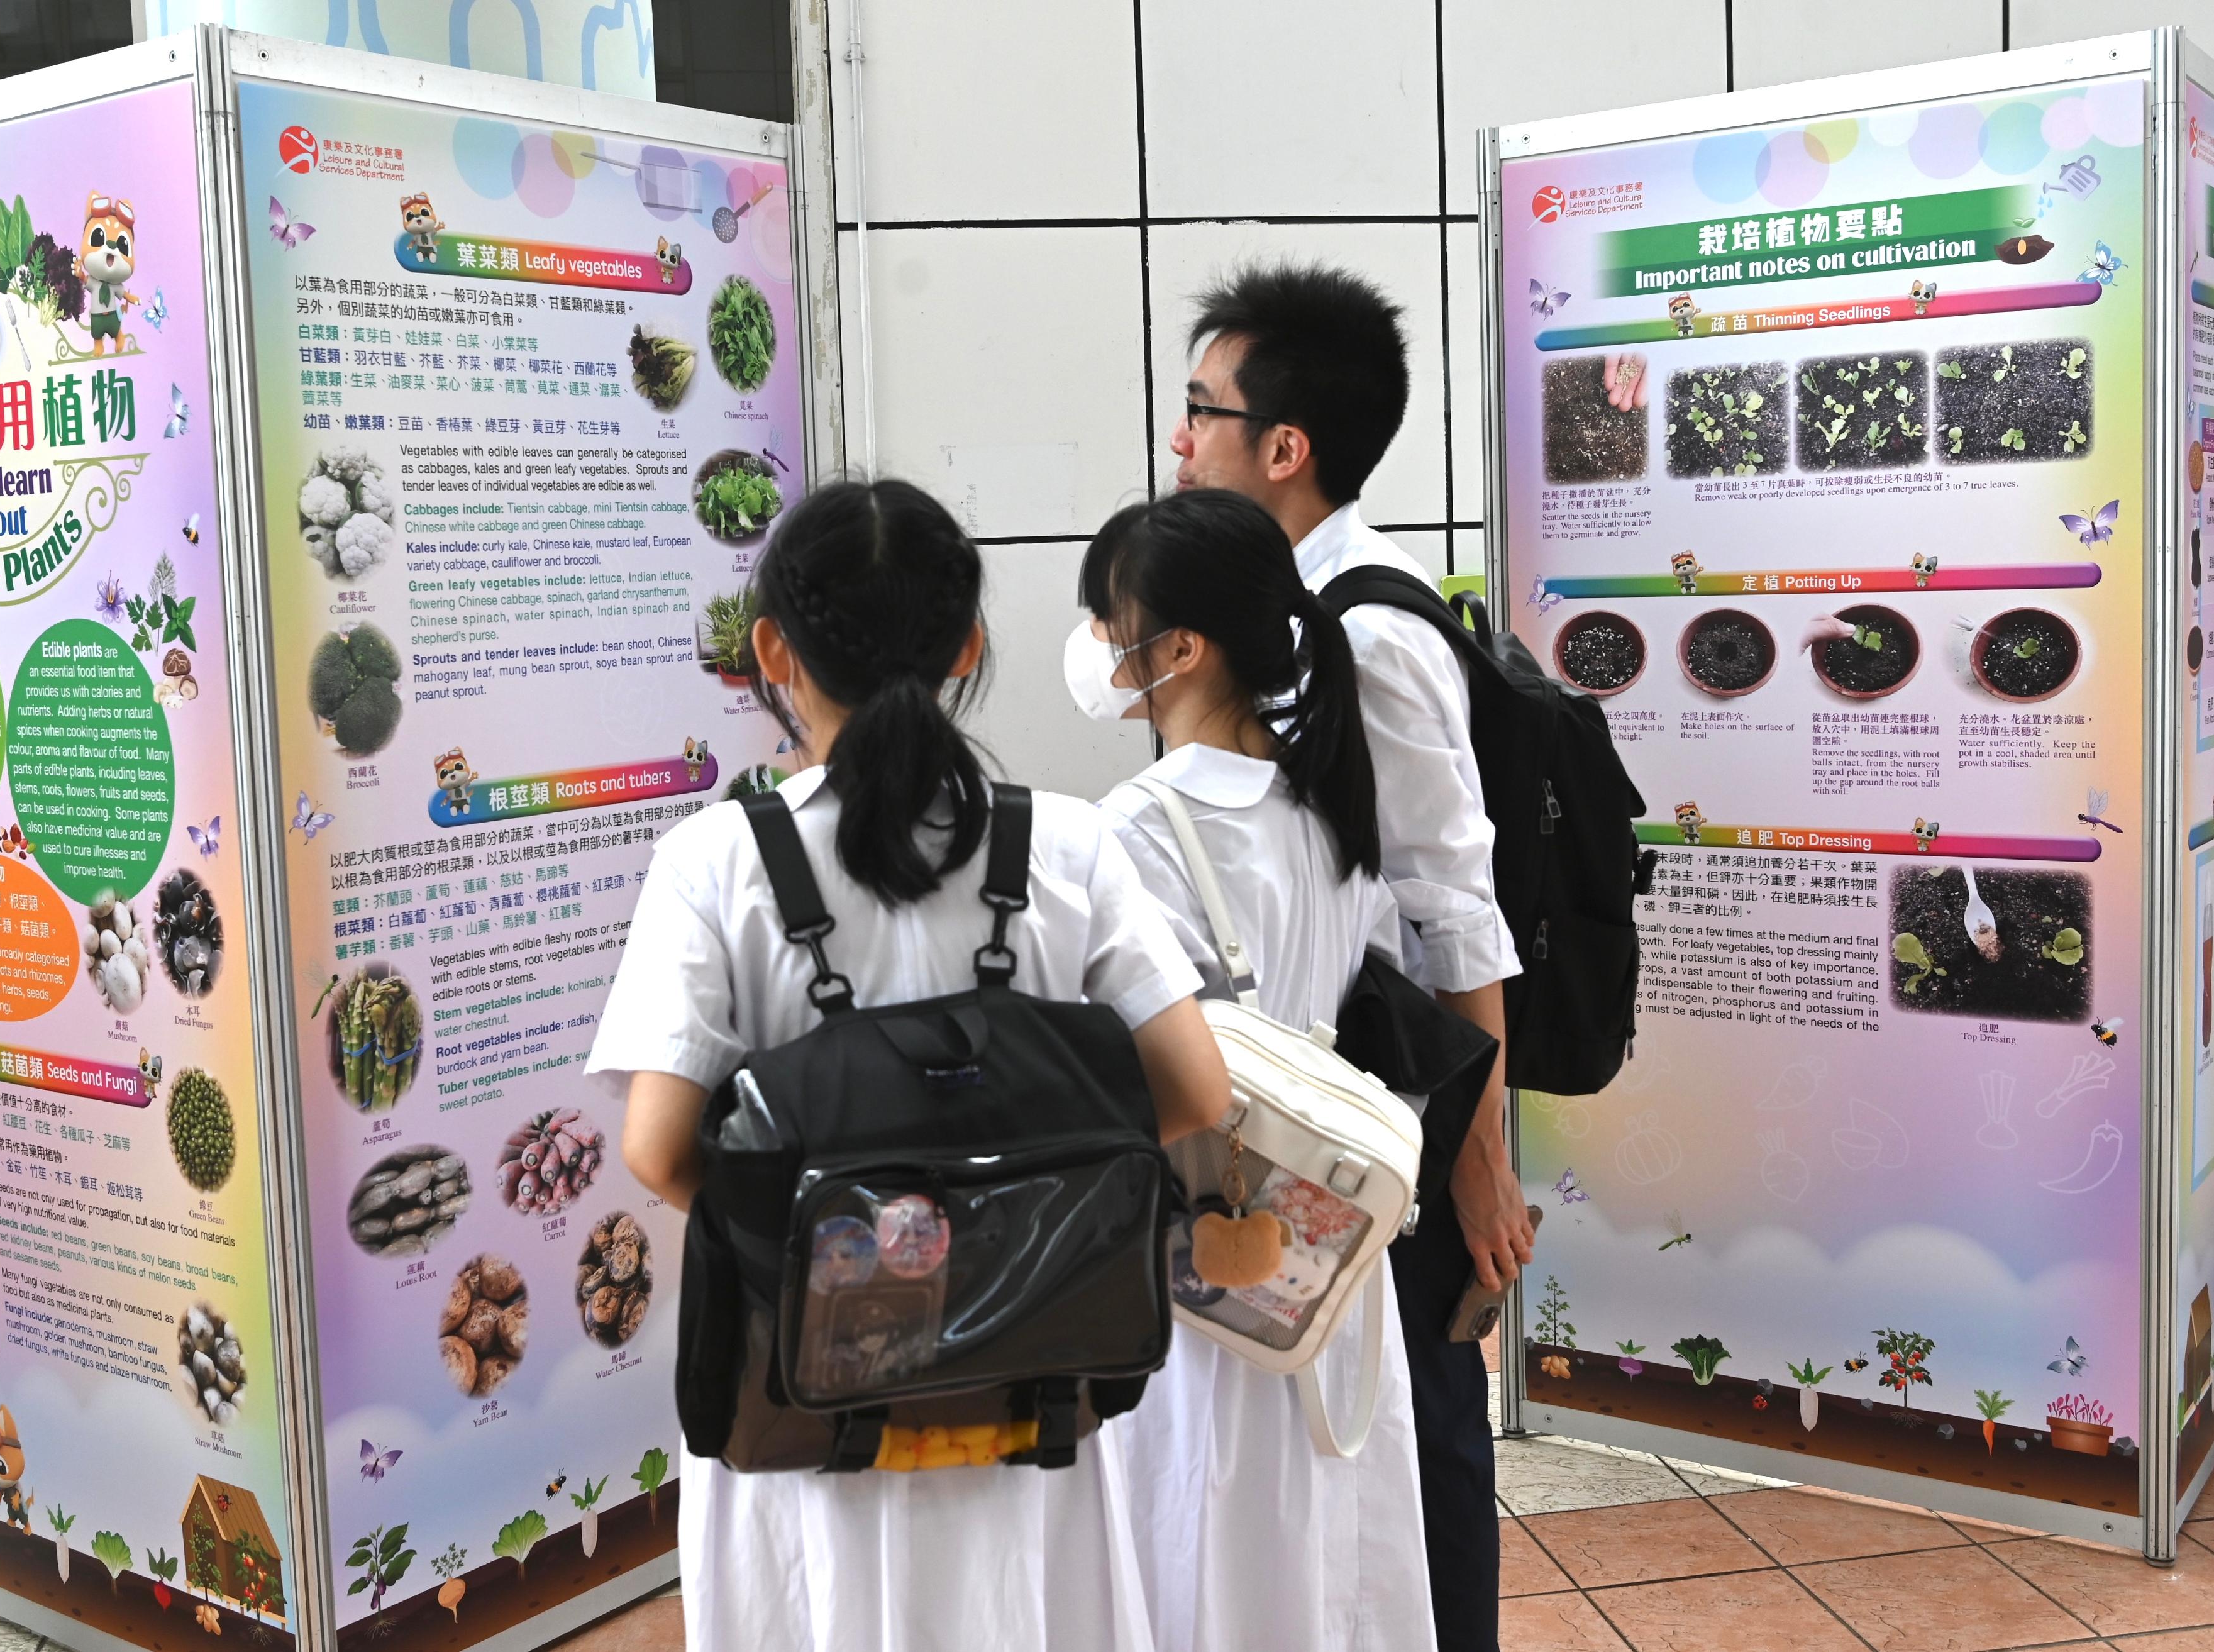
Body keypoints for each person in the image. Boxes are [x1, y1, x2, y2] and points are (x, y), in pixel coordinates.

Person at [585, 477, 1233, 1652]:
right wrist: (1003, 1232)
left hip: (801, 1412)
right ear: (970, 645)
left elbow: (659, 1148)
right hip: (1030, 1399)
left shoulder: (716, 862)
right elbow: (1196, 1092)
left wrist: (848, 1250)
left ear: (772, 650)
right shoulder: (1066, 843)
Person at [1170, 262, 1532, 1649]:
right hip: (1315, 1102)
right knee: (1338, 1428)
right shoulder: (1272, 609)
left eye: (1198, 409)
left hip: (1393, 1110)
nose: (1178, 439)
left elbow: (1453, 904)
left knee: (1419, 1436)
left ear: (1282, 446)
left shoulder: (1366, 634)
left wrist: (1479, 1152)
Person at [1070, 488, 1434, 1651]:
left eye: (1105, 620)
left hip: (1202, 1249)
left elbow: (1127, 1065)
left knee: (1205, 1535)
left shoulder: (1131, 828)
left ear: (1178, 648)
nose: (1095, 647)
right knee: (1341, 1544)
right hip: (1333, 1244)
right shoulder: (1330, 798)